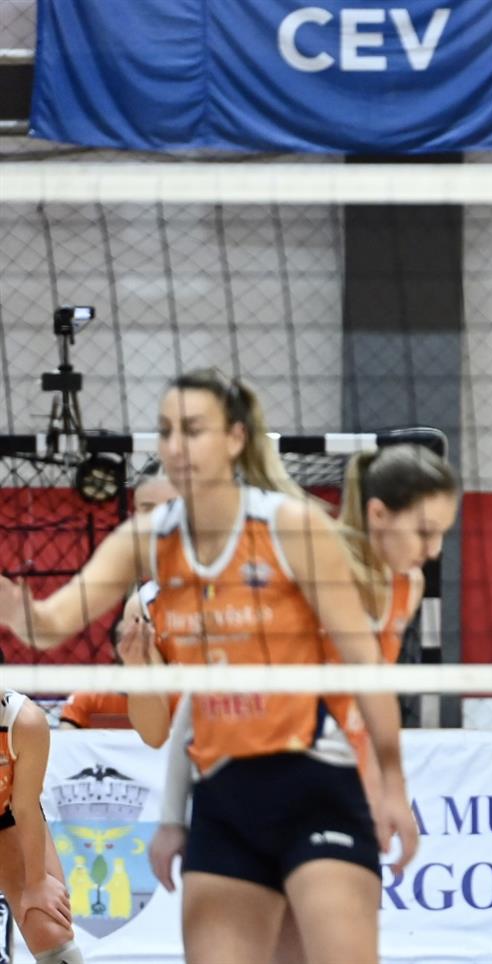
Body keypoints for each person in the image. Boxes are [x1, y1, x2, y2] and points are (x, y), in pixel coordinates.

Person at [0, 369, 419, 964]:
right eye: (167, 430)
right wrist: (17, 609)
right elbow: (48, 624)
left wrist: (392, 785)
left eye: (193, 429)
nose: (176, 444)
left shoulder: (291, 526)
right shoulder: (148, 543)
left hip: (316, 784)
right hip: (224, 796)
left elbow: (366, 667)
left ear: (235, 439)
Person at [148, 443, 459, 963]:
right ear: (378, 514)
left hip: (336, 794)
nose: (433, 548)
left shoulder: (407, 585)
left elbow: (369, 706)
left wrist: (385, 790)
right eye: (425, 531)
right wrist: (171, 816)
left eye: (442, 532)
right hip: (251, 784)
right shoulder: (303, 574)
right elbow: (206, 693)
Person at [59, 461, 179, 731]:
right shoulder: (142, 605)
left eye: (172, 506)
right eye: (147, 509)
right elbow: (154, 733)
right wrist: (138, 670)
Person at [0, 689, 84, 964]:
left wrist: (36, 882)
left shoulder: (24, 721)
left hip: (6, 816)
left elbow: (25, 807)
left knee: (48, 927)